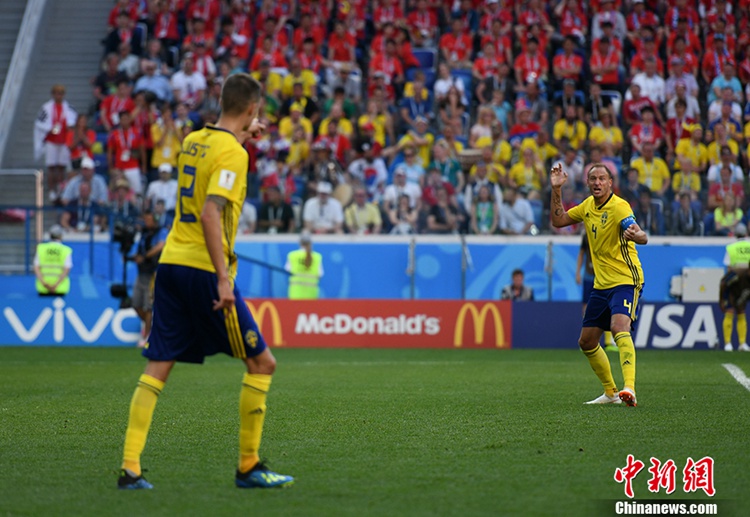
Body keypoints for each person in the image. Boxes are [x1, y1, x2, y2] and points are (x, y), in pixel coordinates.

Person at [117, 74, 293, 490]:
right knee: (262, 363)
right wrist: (223, 281)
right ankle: (248, 467)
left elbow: (211, 172)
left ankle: (130, 468)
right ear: (252, 109)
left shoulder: (194, 139)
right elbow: (212, 212)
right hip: (202, 270)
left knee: (159, 364)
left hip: (171, 263)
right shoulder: (233, 153)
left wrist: (244, 139)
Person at [550, 162, 647, 407]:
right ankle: (611, 392)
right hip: (601, 285)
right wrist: (557, 189)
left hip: (626, 279)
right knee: (587, 341)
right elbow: (558, 220)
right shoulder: (587, 207)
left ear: (610, 183)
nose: (597, 183)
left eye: (602, 178)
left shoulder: (619, 206)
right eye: (593, 179)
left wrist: (638, 235)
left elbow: (637, 231)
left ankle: (630, 388)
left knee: (618, 326)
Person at [34, 85, 78, 202]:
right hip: (51, 140)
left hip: (63, 141)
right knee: (51, 166)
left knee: (61, 166)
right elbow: (40, 123)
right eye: (56, 93)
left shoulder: (69, 108)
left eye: (61, 93)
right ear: (53, 94)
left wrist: (70, 127)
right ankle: (52, 190)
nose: (59, 95)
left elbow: (73, 123)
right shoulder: (46, 108)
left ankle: (60, 188)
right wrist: (50, 128)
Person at [130, 211, 167, 348]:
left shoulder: (161, 232)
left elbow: (160, 246)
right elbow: (138, 249)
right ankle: (150, 328)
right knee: (136, 303)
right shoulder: (144, 234)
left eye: (148, 219)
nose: (146, 222)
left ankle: (147, 336)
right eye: (145, 219)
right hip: (142, 272)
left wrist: (144, 257)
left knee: (148, 306)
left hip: (154, 272)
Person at [576, 233, 617, 352]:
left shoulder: (606, 230)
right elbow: (581, 253)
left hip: (604, 275)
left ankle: (609, 342)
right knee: (586, 306)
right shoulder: (585, 235)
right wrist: (578, 272)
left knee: (608, 306)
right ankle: (589, 339)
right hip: (589, 275)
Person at [720, 223, 750, 352]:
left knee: (730, 310)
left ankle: (728, 344)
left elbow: (729, 267)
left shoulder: (731, 248)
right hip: (747, 281)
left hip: (735, 280)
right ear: (745, 233)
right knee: (742, 311)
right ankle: (742, 343)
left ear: (735, 234)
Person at [33, 225, 72, 296]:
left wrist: (45, 284)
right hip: (60, 287)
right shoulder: (65, 250)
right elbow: (66, 269)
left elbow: (36, 267)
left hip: (43, 288)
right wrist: (56, 285)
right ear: (61, 236)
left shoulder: (41, 248)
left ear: (50, 235)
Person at [285, 230, 323, 299]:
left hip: (295, 293)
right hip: (311, 294)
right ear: (311, 243)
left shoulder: (292, 255)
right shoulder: (317, 257)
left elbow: (287, 270)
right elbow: (320, 274)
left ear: (299, 242)